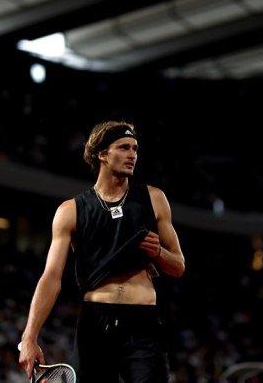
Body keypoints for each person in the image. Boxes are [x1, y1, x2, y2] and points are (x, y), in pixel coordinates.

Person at [18, 120, 186, 383]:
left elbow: (178, 266)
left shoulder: (154, 198)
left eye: (135, 149)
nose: (132, 155)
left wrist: (159, 253)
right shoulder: (70, 211)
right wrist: (29, 337)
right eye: (124, 147)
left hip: (143, 323)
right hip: (96, 323)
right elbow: (50, 277)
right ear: (102, 154)